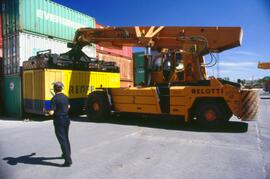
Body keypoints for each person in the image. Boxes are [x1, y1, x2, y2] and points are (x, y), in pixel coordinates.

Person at [48, 82, 72, 167]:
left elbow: (51, 112)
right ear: (61, 88)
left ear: (54, 89)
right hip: (66, 119)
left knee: (62, 140)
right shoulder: (65, 97)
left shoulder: (54, 99)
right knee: (66, 137)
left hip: (59, 120)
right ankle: (66, 154)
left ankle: (68, 161)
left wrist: (46, 112)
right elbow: (68, 107)